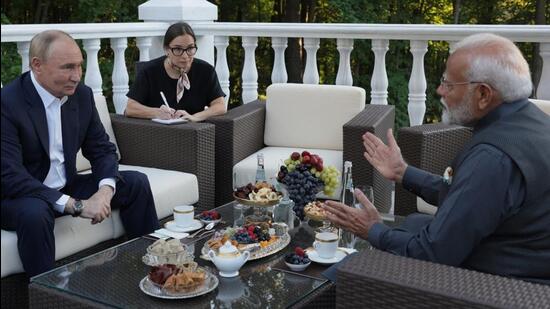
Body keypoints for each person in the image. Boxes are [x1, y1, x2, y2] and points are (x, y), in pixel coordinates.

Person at [322, 33, 550, 284]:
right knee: (413, 223)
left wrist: (372, 230)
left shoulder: (492, 159)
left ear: (484, 94)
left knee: (339, 274)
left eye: (449, 85)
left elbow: (431, 252)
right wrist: (403, 172)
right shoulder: (533, 122)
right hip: (519, 255)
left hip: (496, 285)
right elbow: (471, 196)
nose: (440, 91)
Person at [1, 30, 160, 278]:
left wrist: (103, 192)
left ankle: (152, 269)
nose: (76, 76)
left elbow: (102, 149)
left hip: (67, 184)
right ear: (37, 65)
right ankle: (49, 293)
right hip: (18, 197)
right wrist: (76, 205)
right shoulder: (8, 103)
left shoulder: (81, 95)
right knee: (35, 214)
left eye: (79, 66)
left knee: (136, 183)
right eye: (67, 68)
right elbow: (10, 176)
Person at [125, 22, 226, 122]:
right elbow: (130, 108)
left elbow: (220, 105)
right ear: (166, 49)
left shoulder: (206, 71)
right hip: (156, 133)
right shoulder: (149, 71)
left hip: (194, 133)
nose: (185, 56)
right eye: (178, 49)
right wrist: (156, 113)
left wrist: (195, 117)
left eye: (190, 48)